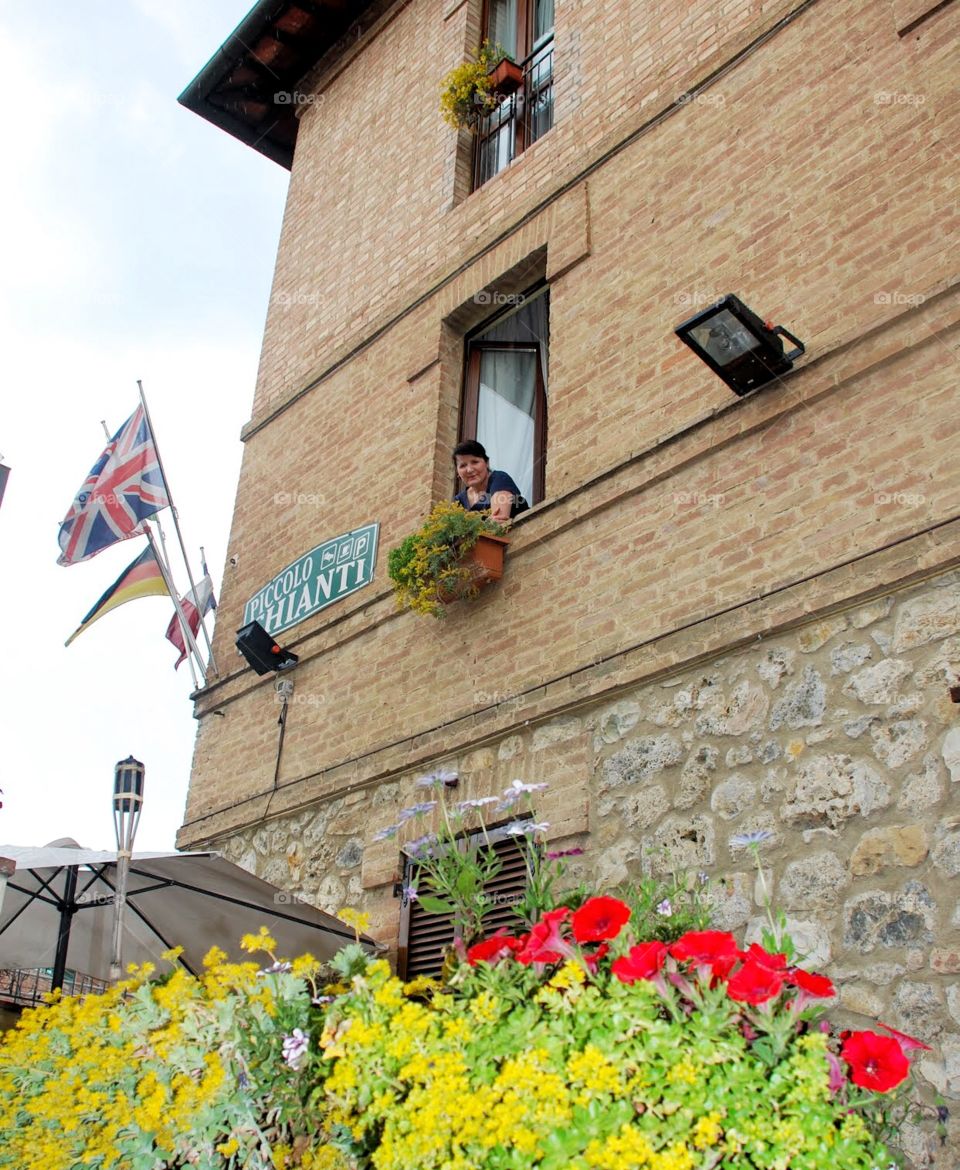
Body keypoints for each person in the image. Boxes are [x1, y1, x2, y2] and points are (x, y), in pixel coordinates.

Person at [452, 440, 529, 522]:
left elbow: (498, 522)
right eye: (463, 465)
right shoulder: (458, 502)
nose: (469, 470)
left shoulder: (499, 479)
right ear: (457, 472)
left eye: (475, 462)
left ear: (487, 463)